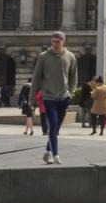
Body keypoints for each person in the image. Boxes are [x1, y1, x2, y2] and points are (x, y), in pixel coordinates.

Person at [30, 31, 78, 164]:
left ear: (63, 42)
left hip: (64, 98)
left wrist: (72, 92)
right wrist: (31, 97)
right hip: (48, 97)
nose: (55, 44)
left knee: (56, 128)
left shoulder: (70, 56)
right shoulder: (43, 56)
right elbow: (36, 78)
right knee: (52, 125)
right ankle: (55, 155)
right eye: (53, 41)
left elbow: (74, 76)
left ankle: (47, 151)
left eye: (58, 41)